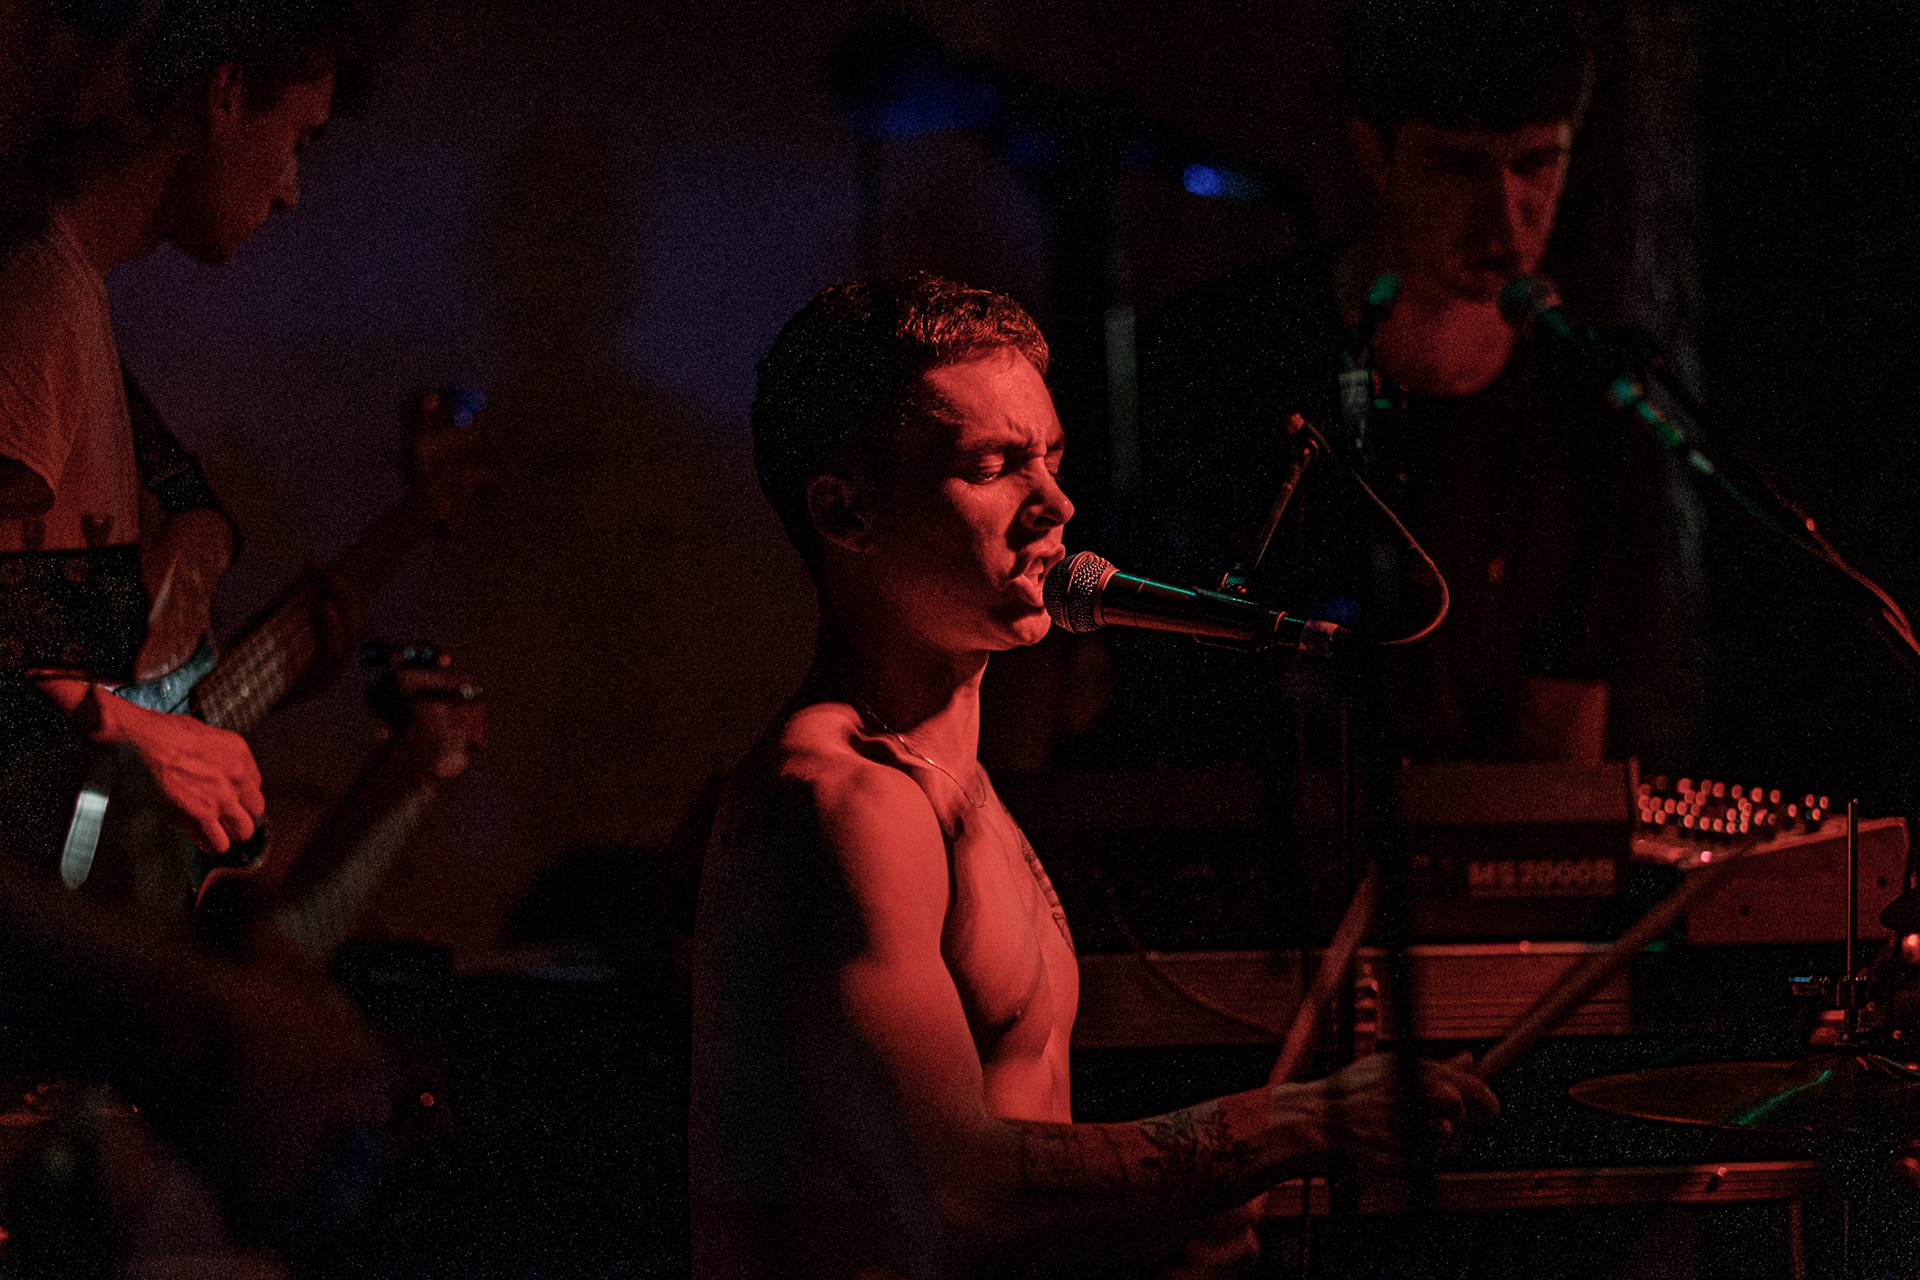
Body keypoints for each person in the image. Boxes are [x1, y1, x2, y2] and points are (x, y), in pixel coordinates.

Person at [691, 273, 1497, 1279]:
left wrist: (1151, 1224)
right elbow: (957, 1199)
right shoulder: (844, 795)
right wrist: (1301, 1116)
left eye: (1054, 458)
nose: (1057, 506)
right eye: (995, 466)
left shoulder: (958, 787)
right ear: (848, 513)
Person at [1099, 0, 1701, 772]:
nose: (1506, 217)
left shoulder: (1594, 410)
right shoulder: (1213, 355)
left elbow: (1560, 763)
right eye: (1458, 165)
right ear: (1371, 152)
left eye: (1536, 164)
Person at [0, 0, 399, 868]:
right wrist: (123, 730)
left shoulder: (73, 301)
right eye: (296, 139)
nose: (292, 191)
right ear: (223, 97)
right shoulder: (36, 301)